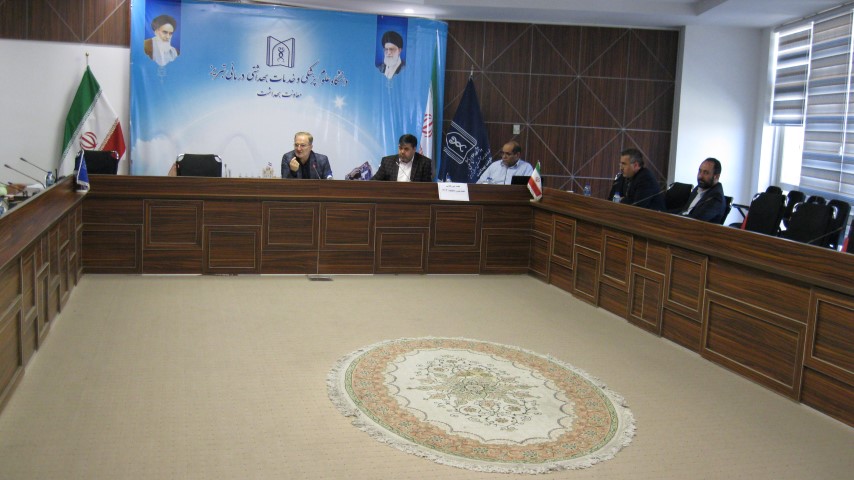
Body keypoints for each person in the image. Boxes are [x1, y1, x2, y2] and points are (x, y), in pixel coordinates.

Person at [679, 157, 726, 223]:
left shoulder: (716, 198)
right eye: (700, 171)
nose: (700, 176)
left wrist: (674, 218)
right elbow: (685, 210)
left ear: (716, 177)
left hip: (694, 228)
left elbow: (697, 220)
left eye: (706, 173)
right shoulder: (699, 188)